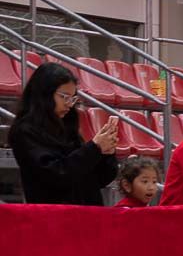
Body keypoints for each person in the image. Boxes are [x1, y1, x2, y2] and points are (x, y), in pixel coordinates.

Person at [10, 62, 118, 205]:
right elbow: (57, 174)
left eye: (72, 98)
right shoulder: (25, 131)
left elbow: (98, 179)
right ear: (44, 94)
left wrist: (106, 154)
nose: (69, 104)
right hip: (53, 218)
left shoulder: (68, 126)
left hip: (87, 214)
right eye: (64, 97)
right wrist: (94, 148)